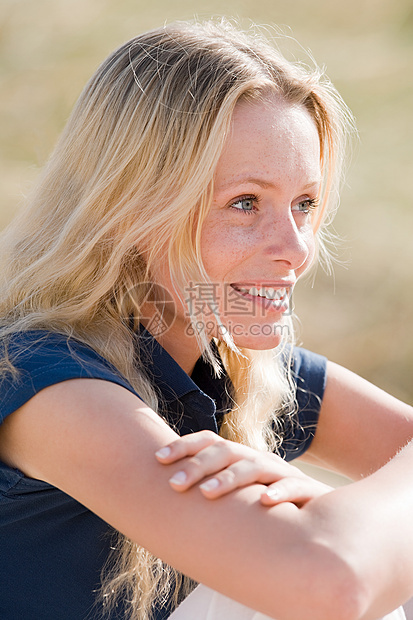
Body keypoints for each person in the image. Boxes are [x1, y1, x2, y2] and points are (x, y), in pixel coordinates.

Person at [0, 18, 412, 620]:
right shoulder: (51, 385)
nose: (295, 248)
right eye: (245, 203)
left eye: (304, 204)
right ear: (130, 210)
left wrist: (321, 506)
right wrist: (325, 519)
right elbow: (330, 586)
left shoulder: (233, 365)